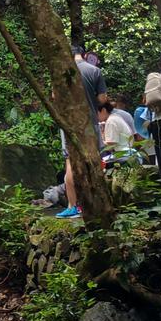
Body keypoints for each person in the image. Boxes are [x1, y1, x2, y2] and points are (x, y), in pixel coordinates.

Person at [56, 45, 109, 220]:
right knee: (94, 158)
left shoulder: (61, 71)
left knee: (70, 162)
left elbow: (55, 97)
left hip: (69, 123)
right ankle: (99, 202)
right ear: (84, 55)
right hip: (90, 122)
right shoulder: (94, 70)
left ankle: (73, 206)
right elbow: (102, 99)